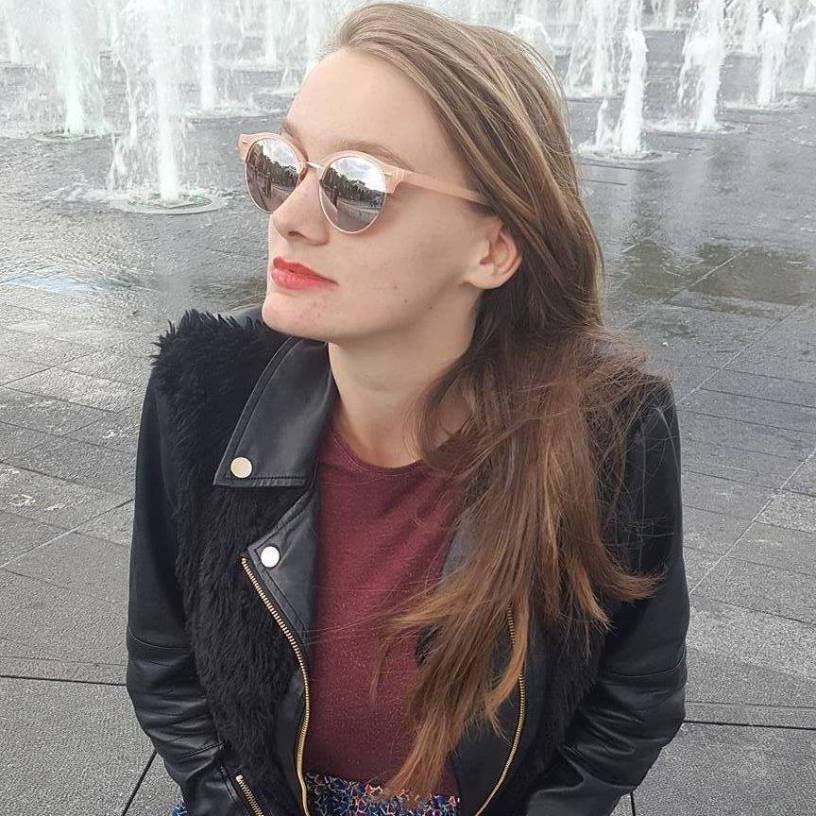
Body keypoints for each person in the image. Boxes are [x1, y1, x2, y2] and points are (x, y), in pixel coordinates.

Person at [125, 3, 690, 816]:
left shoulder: (607, 425)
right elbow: (163, 658)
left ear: (493, 247)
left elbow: (636, 691)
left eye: (356, 187)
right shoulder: (203, 389)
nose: (289, 218)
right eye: (282, 166)